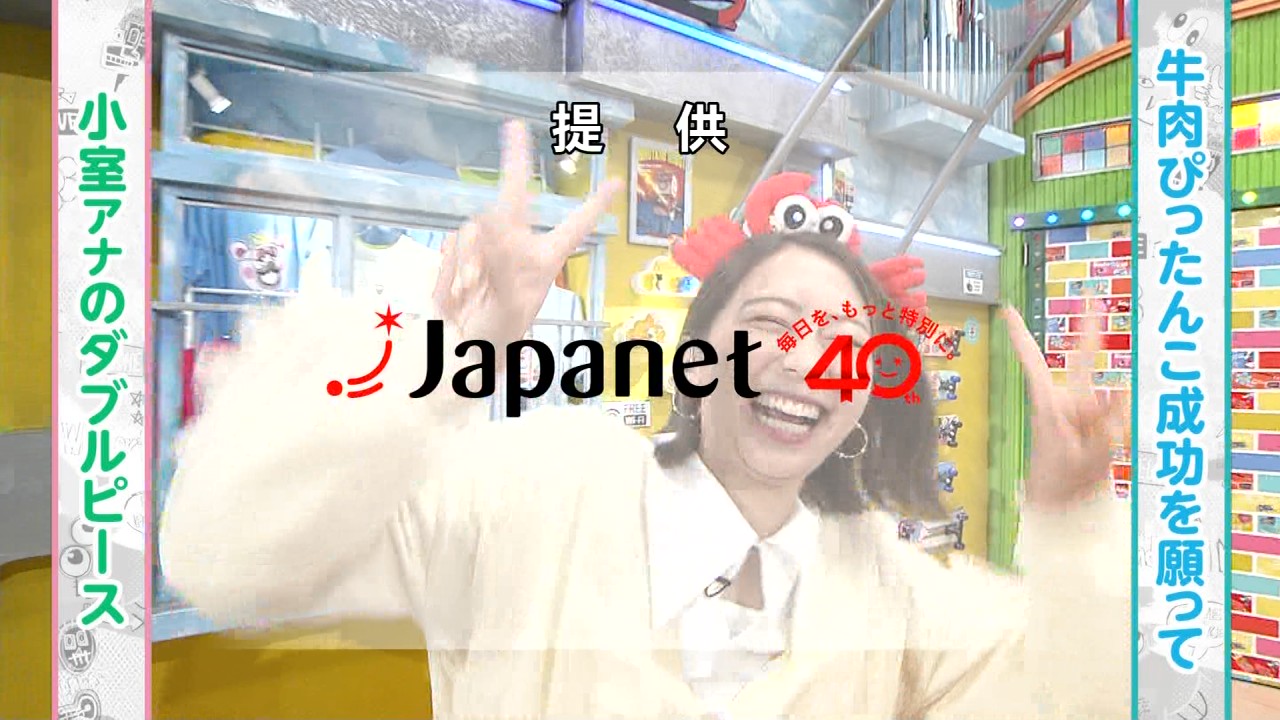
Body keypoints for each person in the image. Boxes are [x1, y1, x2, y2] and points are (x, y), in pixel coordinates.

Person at [161, 121, 1130, 719]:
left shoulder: (894, 590)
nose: (802, 361)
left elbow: (1067, 697)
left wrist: (1073, 514)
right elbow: (224, 558)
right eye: (766, 325)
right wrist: (437, 355)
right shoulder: (533, 490)